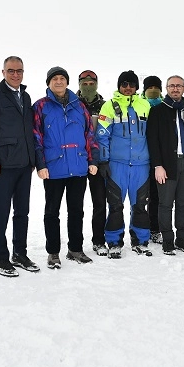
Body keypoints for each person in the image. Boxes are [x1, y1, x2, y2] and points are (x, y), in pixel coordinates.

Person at [33, 67, 99, 269]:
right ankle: (53, 252)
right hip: (53, 168)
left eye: (62, 78)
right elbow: (36, 137)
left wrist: (93, 160)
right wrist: (41, 164)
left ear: (68, 82)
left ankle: (75, 249)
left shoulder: (79, 106)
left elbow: (89, 135)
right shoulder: (40, 106)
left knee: (76, 210)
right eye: (55, 79)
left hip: (78, 166)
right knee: (52, 212)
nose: (59, 82)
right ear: (49, 83)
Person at [0, 56, 39, 277]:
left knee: (22, 211)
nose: (16, 74)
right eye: (11, 70)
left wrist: (32, 160)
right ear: (3, 72)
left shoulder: (26, 95)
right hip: (3, 166)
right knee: (2, 212)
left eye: (19, 71)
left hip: (24, 164)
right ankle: (1, 258)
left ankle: (19, 253)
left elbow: (29, 130)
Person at [96, 70, 153, 258]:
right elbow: (102, 135)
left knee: (140, 205)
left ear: (136, 87)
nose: (128, 88)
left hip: (141, 164)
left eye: (131, 84)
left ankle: (140, 240)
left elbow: (153, 135)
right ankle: (114, 241)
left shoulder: (145, 105)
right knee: (115, 205)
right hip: (116, 164)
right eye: (124, 84)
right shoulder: (109, 106)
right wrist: (103, 160)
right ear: (119, 86)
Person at [147, 75, 184, 255]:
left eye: (179, 86)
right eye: (172, 86)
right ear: (166, 88)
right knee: (166, 203)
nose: (175, 89)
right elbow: (152, 140)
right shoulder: (158, 110)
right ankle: (168, 239)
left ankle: (182, 239)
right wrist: (157, 165)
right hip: (168, 163)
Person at [76, 70, 109, 256]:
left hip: (99, 160)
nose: (88, 86)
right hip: (78, 160)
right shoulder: (73, 104)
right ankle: (76, 243)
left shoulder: (104, 106)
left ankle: (98, 240)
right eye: (84, 83)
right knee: (76, 205)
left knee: (99, 203)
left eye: (91, 83)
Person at [142, 75, 164, 243]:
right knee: (144, 196)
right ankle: (145, 228)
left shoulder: (164, 106)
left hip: (160, 158)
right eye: (150, 87)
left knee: (158, 195)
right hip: (141, 158)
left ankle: (156, 228)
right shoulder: (140, 105)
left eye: (156, 87)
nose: (153, 90)